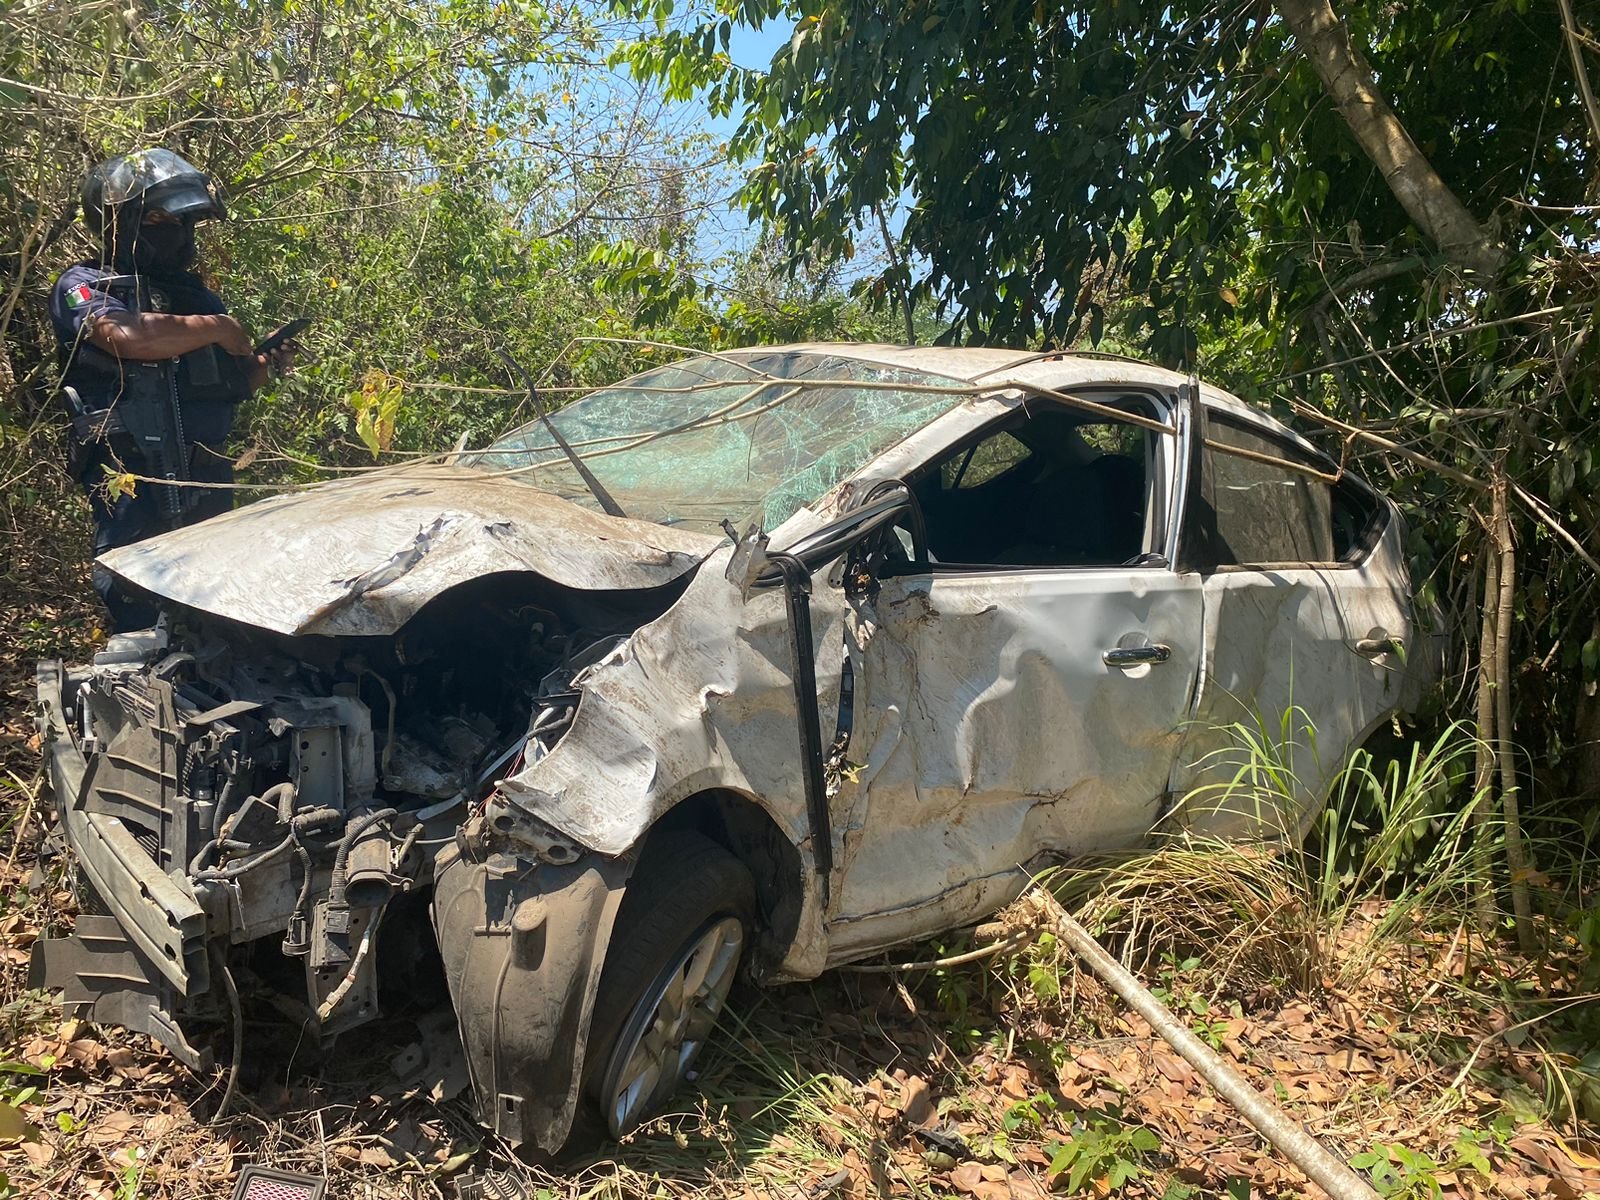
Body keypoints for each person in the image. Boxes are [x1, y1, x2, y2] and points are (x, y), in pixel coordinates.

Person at [49, 148, 293, 630]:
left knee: (221, 605)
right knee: (137, 599)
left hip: (207, 475)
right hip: (132, 473)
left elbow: (230, 385)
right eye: (159, 220)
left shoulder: (195, 295)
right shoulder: (85, 283)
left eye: (183, 222)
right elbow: (125, 336)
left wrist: (265, 363)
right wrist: (217, 327)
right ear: (119, 222)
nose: (177, 232)